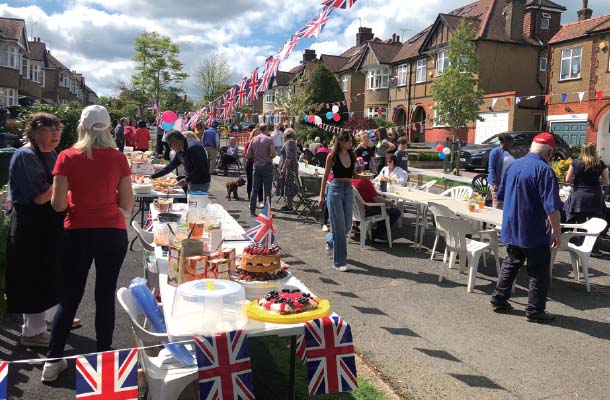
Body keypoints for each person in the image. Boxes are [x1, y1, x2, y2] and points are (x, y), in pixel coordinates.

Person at [43, 105, 135, 382]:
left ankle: (53, 359)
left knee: (70, 297)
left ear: (81, 127)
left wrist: (75, 197)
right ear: (108, 128)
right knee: (104, 295)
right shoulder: (118, 158)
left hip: (77, 233)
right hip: (111, 232)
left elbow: (58, 205)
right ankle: (103, 354)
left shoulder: (66, 157)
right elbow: (128, 204)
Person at [6, 112, 66, 348]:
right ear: (33, 132)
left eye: (57, 130)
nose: (55, 135)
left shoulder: (49, 152)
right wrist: (64, 178)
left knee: (51, 271)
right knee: (32, 277)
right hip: (30, 226)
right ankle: (32, 332)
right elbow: (41, 197)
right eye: (49, 130)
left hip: (48, 225)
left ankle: (51, 320)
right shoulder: (25, 156)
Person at [490, 132, 563, 324]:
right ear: (549, 152)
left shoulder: (514, 165)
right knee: (538, 272)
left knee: (511, 262)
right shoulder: (544, 170)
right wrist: (557, 232)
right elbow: (552, 207)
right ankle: (535, 310)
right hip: (534, 229)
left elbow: (501, 195)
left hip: (513, 225)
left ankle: (499, 298)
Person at [318, 131, 357, 272]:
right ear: (340, 142)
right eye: (347, 141)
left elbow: (354, 174)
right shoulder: (332, 156)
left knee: (347, 225)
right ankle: (339, 262)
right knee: (340, 229)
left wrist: (365, 176)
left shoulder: (353, 155)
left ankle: (330, 239)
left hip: (348, 189)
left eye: (351, 141)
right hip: (335, 189)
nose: (350, 143)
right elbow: (325, 176)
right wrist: (321, 196)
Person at [564, 143, 609, 250]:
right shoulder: (600, 164)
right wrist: (597, 182)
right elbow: (607, 182)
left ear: (582, 151)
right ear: (594, 151)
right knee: (594, 222)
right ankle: (592, 247)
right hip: (594, 196)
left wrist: (578, 181)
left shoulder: (575, 162)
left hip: (579, 196)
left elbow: (567, 179)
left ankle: (580, 245)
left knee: (581, 222)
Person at [352, 177, 401, 242]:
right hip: (366, 210)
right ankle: (379, 234)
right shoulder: (365, 181)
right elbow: (376, 198)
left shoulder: (349, 181)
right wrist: (389, 202)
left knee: (383, 207)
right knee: (395, 211)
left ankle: (356, 225)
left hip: (354, 212)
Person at [247, 124, 276, 216]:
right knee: (267, 190)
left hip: (256, 165)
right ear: (266, 129)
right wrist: (269, 157)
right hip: (266, 165)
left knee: (254, 188)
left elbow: (248, 155)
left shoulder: (253, 139)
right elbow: (273, 153)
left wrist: (256, 156)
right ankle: (267, 212)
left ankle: (252, 210)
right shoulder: (268, 139)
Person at [488, 134, 515, 208]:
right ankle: (494, 218)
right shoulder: (495, 152)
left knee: (505, 202)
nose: (512, 144)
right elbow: (491, 168)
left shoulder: (509, 152)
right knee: (497, 201)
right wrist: (494, 183)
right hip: (497, 182)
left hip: (507, 182)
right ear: (505, 142)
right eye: (511, 142)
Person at [278, 128, 299, 211]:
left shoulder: (289, 143)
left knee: (289, 185)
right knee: (289, 185)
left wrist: (283, 168)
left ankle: (290, 206)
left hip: (289, 168)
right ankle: (289, 204)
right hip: (292, 166)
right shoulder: (292, 143)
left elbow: (288, 157)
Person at [245, 128, 263, 204]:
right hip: (251, 163)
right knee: (250, 182)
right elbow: (247, 155)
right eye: (256, 133)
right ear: (253, 134)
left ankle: (260, 200)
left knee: (260, 183)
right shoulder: (248, 143)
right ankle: (251, 199)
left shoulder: (263, 143)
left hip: (260, 164)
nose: (258, 135)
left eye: (259, 133)